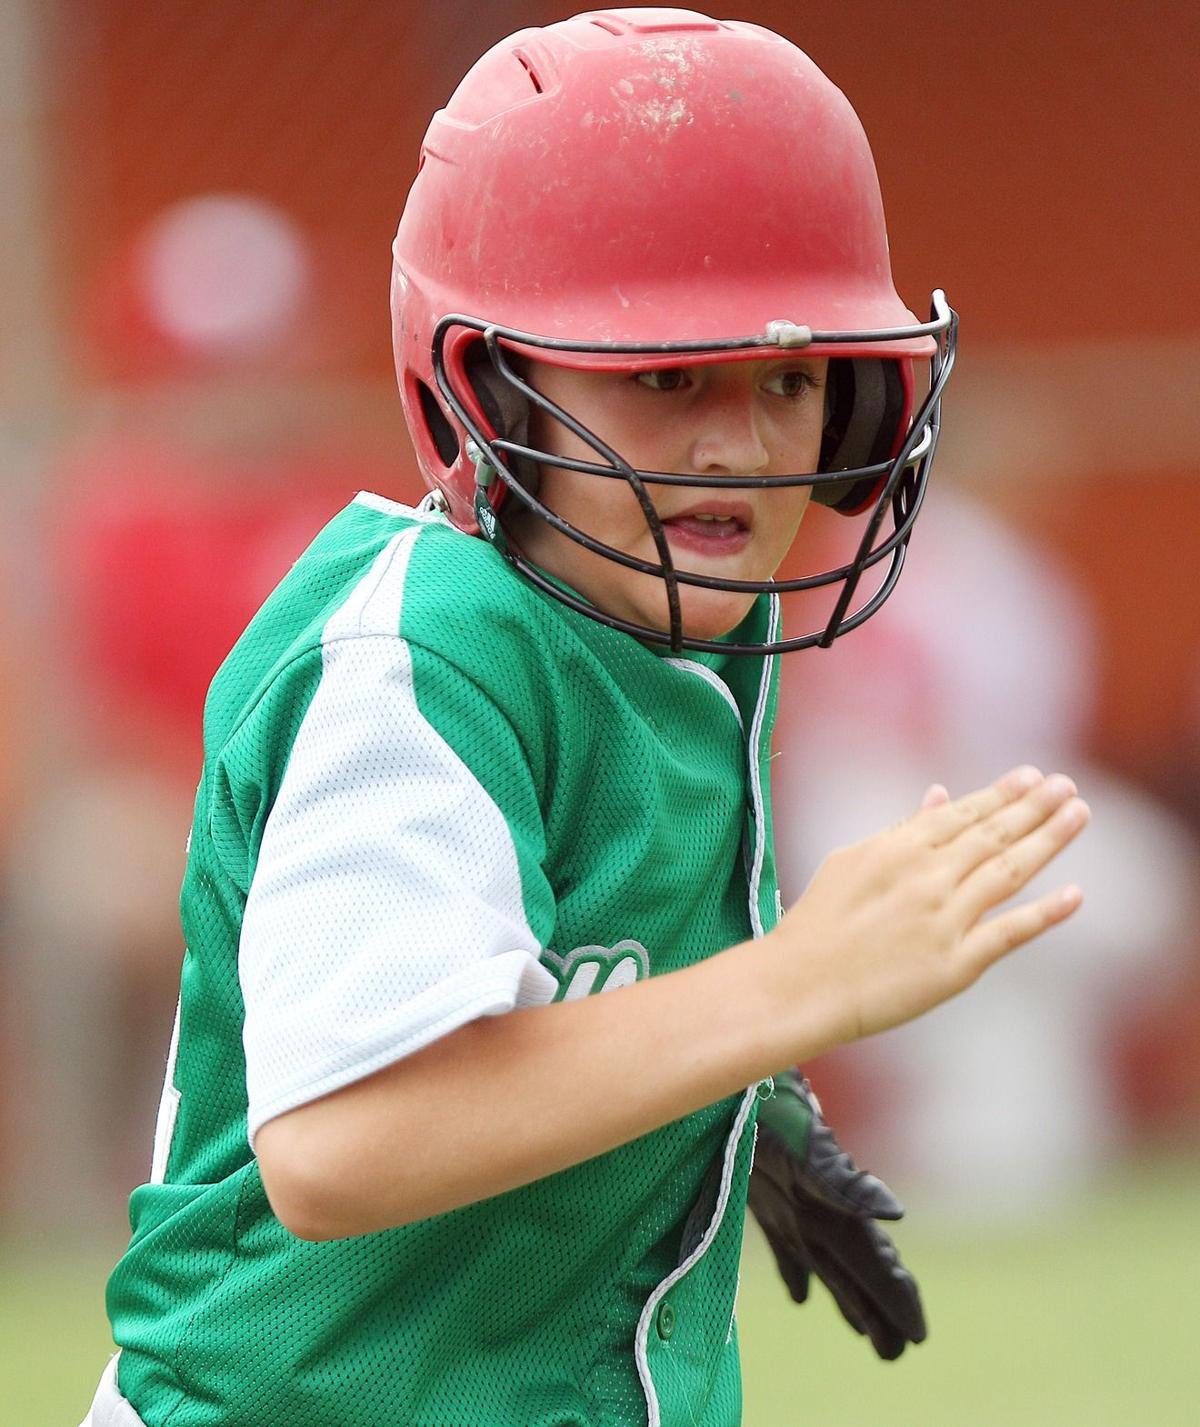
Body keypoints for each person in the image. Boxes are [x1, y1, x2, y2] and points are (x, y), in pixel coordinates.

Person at [82, 12, 1088, 1427]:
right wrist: (799, 983)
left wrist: (754, 1109)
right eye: (664, 378)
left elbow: (595, 967)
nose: (739, 443)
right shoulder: (422, 659)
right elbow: (341, 1141)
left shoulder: (697, 623)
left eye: (791, 379)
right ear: (488, 386)